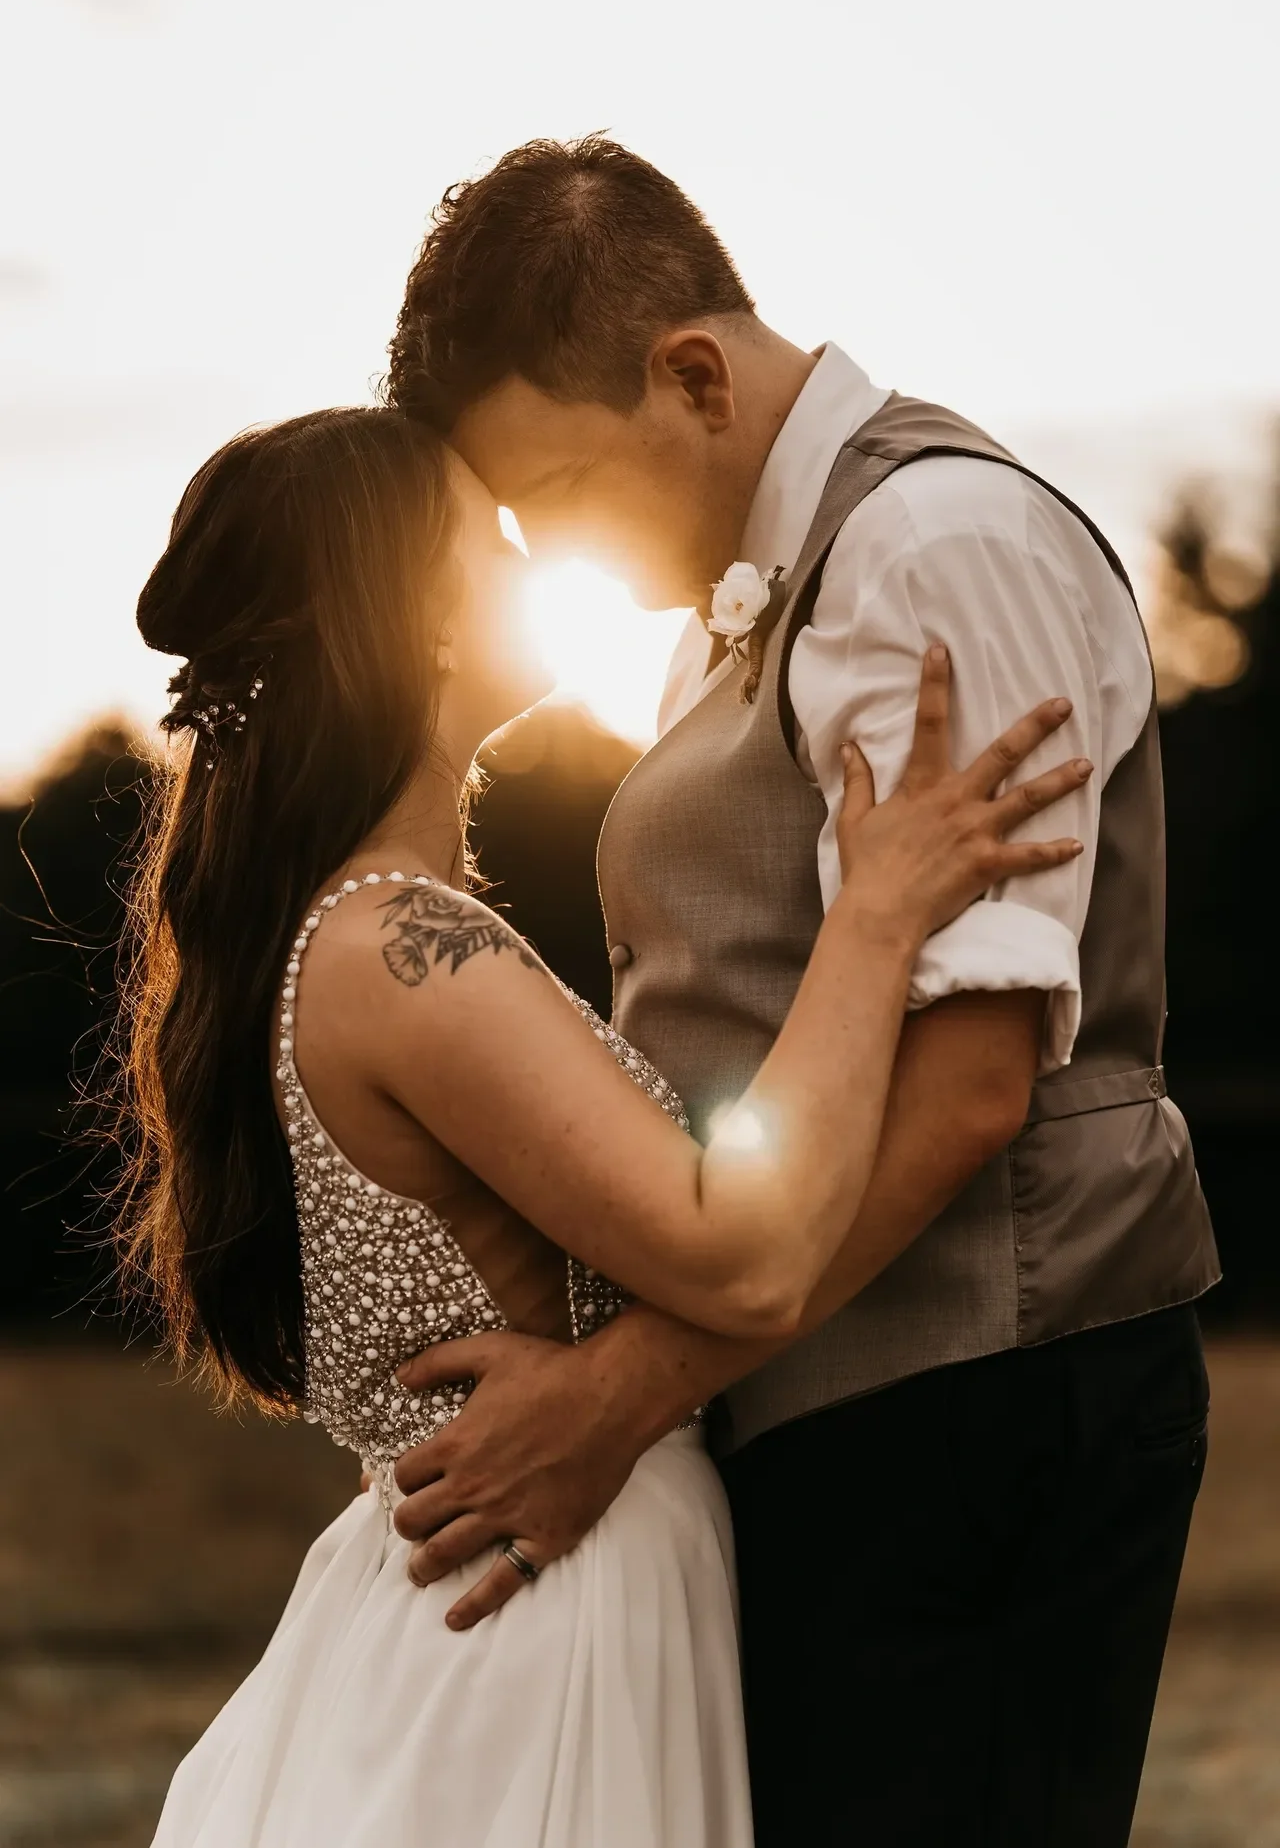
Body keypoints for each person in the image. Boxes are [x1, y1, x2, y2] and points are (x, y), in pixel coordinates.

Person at [383, 137, 1221, 1847]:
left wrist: (625, 1395)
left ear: (693, 374)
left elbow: (972, 1080)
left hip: (981, 1398)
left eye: (564, 487)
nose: (571, 562)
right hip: (837, 1392)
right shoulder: (744, 596)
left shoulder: (934, 548)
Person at [124, 406, 1085, 1845]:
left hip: (507, 1586)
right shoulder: (401, 951)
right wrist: (877, 918)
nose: (534, 560)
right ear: (426, 621)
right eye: (490, 543)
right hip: (541, 1622)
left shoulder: (352, 937)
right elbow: (744, 1254)